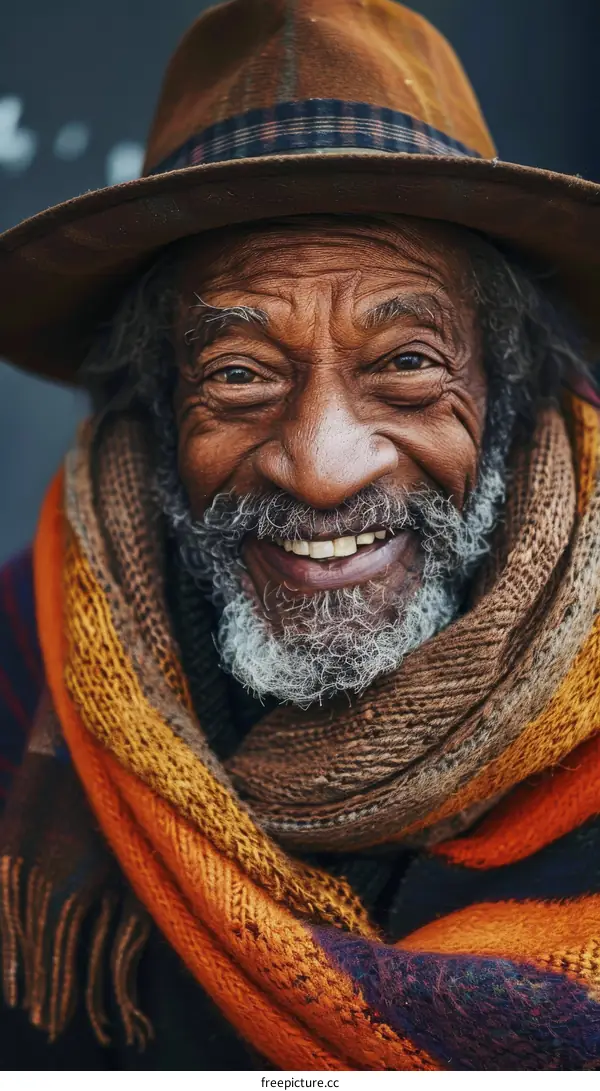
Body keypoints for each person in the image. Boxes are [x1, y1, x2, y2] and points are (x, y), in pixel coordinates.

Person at [1, 0, 600, 1071]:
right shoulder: (15, 659)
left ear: (507, 384)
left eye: (406, 363)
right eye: (240, 374)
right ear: (157, 401)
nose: (322, 468)